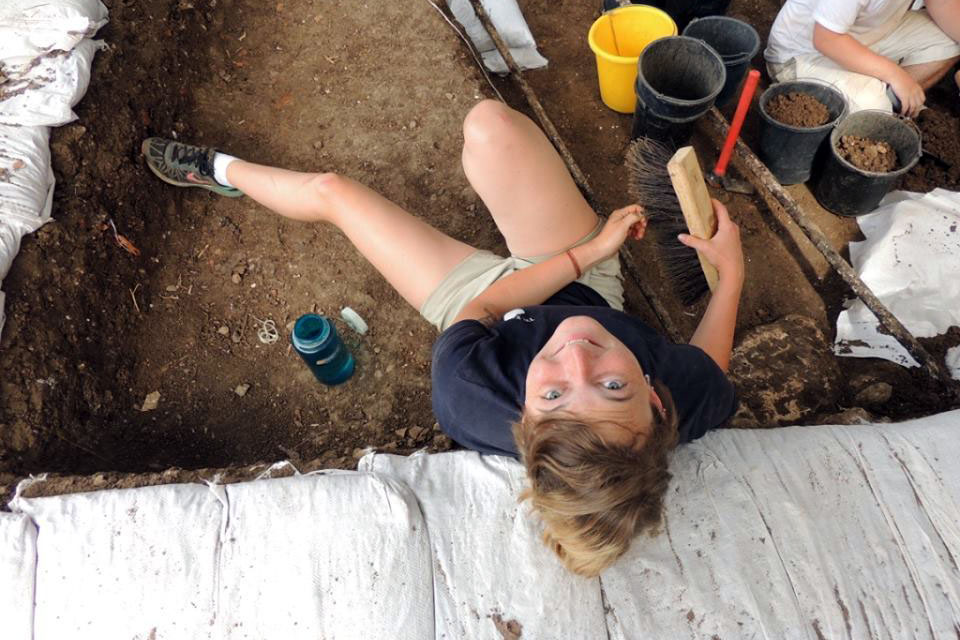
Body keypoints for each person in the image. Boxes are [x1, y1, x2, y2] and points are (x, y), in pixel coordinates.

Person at [142, 99, 741, 576]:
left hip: (484, 304)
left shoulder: (469, 390)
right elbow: (707, 367)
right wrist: (728, 274)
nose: (577, 359)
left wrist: (582, 252)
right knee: (487, 124)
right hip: (587, 289)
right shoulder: (670, 409)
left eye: (555, 396)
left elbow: (486, 304)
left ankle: (216, 170)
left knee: (333, 193)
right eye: (613, 385)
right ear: (657, 402)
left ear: (524, 421)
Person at [764, 0, 960, 116]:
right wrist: (895, 74)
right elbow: (825, 39)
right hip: (801, 55)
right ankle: (875, 107)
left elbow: (943, 3)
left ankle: (897, 100)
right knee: (874, 107)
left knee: (947, 40)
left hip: (865, 35)